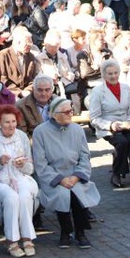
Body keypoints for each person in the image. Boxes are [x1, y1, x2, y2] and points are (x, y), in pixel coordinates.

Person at [33, 98, 99, 248]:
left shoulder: (77, 130)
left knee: (76, 192)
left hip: (75, 175)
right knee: (63, 194)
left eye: (71, 110)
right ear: (55, 115)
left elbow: (85, 157)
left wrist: (76, 176)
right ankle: (65, 231)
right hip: (53, 177)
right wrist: (60, 179)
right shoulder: (40, 132)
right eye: (67, 112)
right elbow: (40, 163)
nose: (71, 114)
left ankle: (81, 232)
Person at [0, 105, 38, 257]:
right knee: (11, 197)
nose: (11, 125)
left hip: (19, 176)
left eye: (13, 121)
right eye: (7, 122)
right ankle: (11, 240)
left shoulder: (22, 136)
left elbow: (30, 168)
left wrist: (23, 165)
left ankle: (27, 238)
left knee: (25, 194)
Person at [89, 60, 130, 188]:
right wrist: (111, 125)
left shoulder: (125, 88)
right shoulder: (97, 92)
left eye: (116, 73)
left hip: (127, 124)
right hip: (108, 127)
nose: (113, 76)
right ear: (103, 75)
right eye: (110, 74)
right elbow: (94, 118)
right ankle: (117, 173)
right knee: (122, 142)